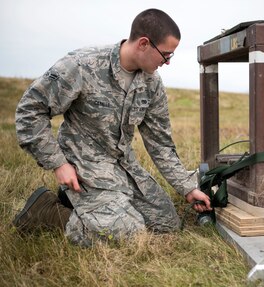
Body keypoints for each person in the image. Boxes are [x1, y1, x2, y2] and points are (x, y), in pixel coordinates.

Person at [13, 8, 211, 246]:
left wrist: (187, 188)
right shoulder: (82, 65)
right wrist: (58, 164)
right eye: (166, 55)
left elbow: (160, 144)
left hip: (122, 165)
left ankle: (84, 206)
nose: (167, 62)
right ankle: (45, 211)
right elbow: (29, 111)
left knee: (167, 224)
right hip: (84, 166)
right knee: (130, 234)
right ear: (144, 43)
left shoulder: (152, 83)